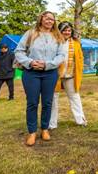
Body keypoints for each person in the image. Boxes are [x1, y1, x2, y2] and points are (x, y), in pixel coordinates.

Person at [15, 11, 66, 146]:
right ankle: (32, 132)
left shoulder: (57, 36)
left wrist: (47, 64)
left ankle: (44, 129)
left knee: (47, 102)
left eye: (52, 19)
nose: (50, 21)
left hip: (50, 73)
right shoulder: (30, 33)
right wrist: (30, 62)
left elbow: (61, 55)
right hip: (31, 73)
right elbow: (19, 51)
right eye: (47, 18)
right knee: (32, 102)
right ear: (41, 19)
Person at [50, 22, 87, 129]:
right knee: (53, 98)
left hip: (70, 74)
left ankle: (80, 120)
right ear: (60, 31)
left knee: (75, 96)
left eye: (69, 30)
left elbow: (80, 58)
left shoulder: (76, 43)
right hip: (55, 74)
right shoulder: (54, 42)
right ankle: (52, 124)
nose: (67, 32)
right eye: (64, 30)